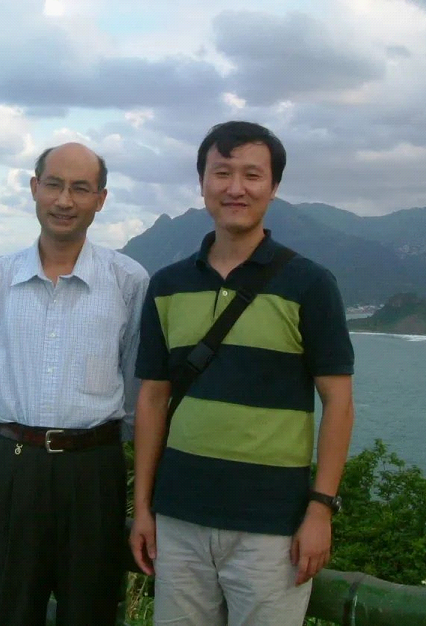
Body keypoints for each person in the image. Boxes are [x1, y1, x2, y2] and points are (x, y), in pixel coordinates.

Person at [130, 121, 354, 626]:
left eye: (252, 175)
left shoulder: (310, 284)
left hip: (272, 527)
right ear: (202, 183)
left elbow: (339, 403)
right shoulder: (167, 285)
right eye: (222, 173)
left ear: (273, 187)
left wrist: (320, 510)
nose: (236, 188)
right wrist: (143, 507)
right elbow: (151, 399)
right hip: (178, 518)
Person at [0, 142, 149, 625]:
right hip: (14, 463)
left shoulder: (128, 281)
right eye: (54, 185)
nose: (65, 200)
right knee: (10, 607)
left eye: (81, 188)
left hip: (95, 468)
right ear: (34, 188)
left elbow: (136, 377)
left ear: (100, 199)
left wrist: (115, 439)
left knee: (91, 609)